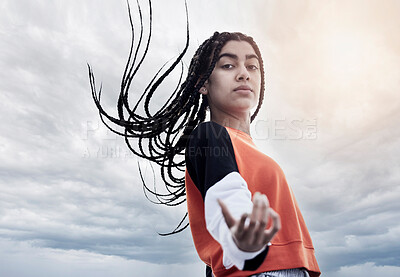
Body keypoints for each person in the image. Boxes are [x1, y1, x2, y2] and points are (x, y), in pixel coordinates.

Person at [88, 1, 320, 277]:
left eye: (252, 66)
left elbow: (215, 252)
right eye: (227, 65)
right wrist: (241, 238)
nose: (244, 72)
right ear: (203, 83)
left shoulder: (243, 148)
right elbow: (228, 203)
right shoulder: (210, 136)